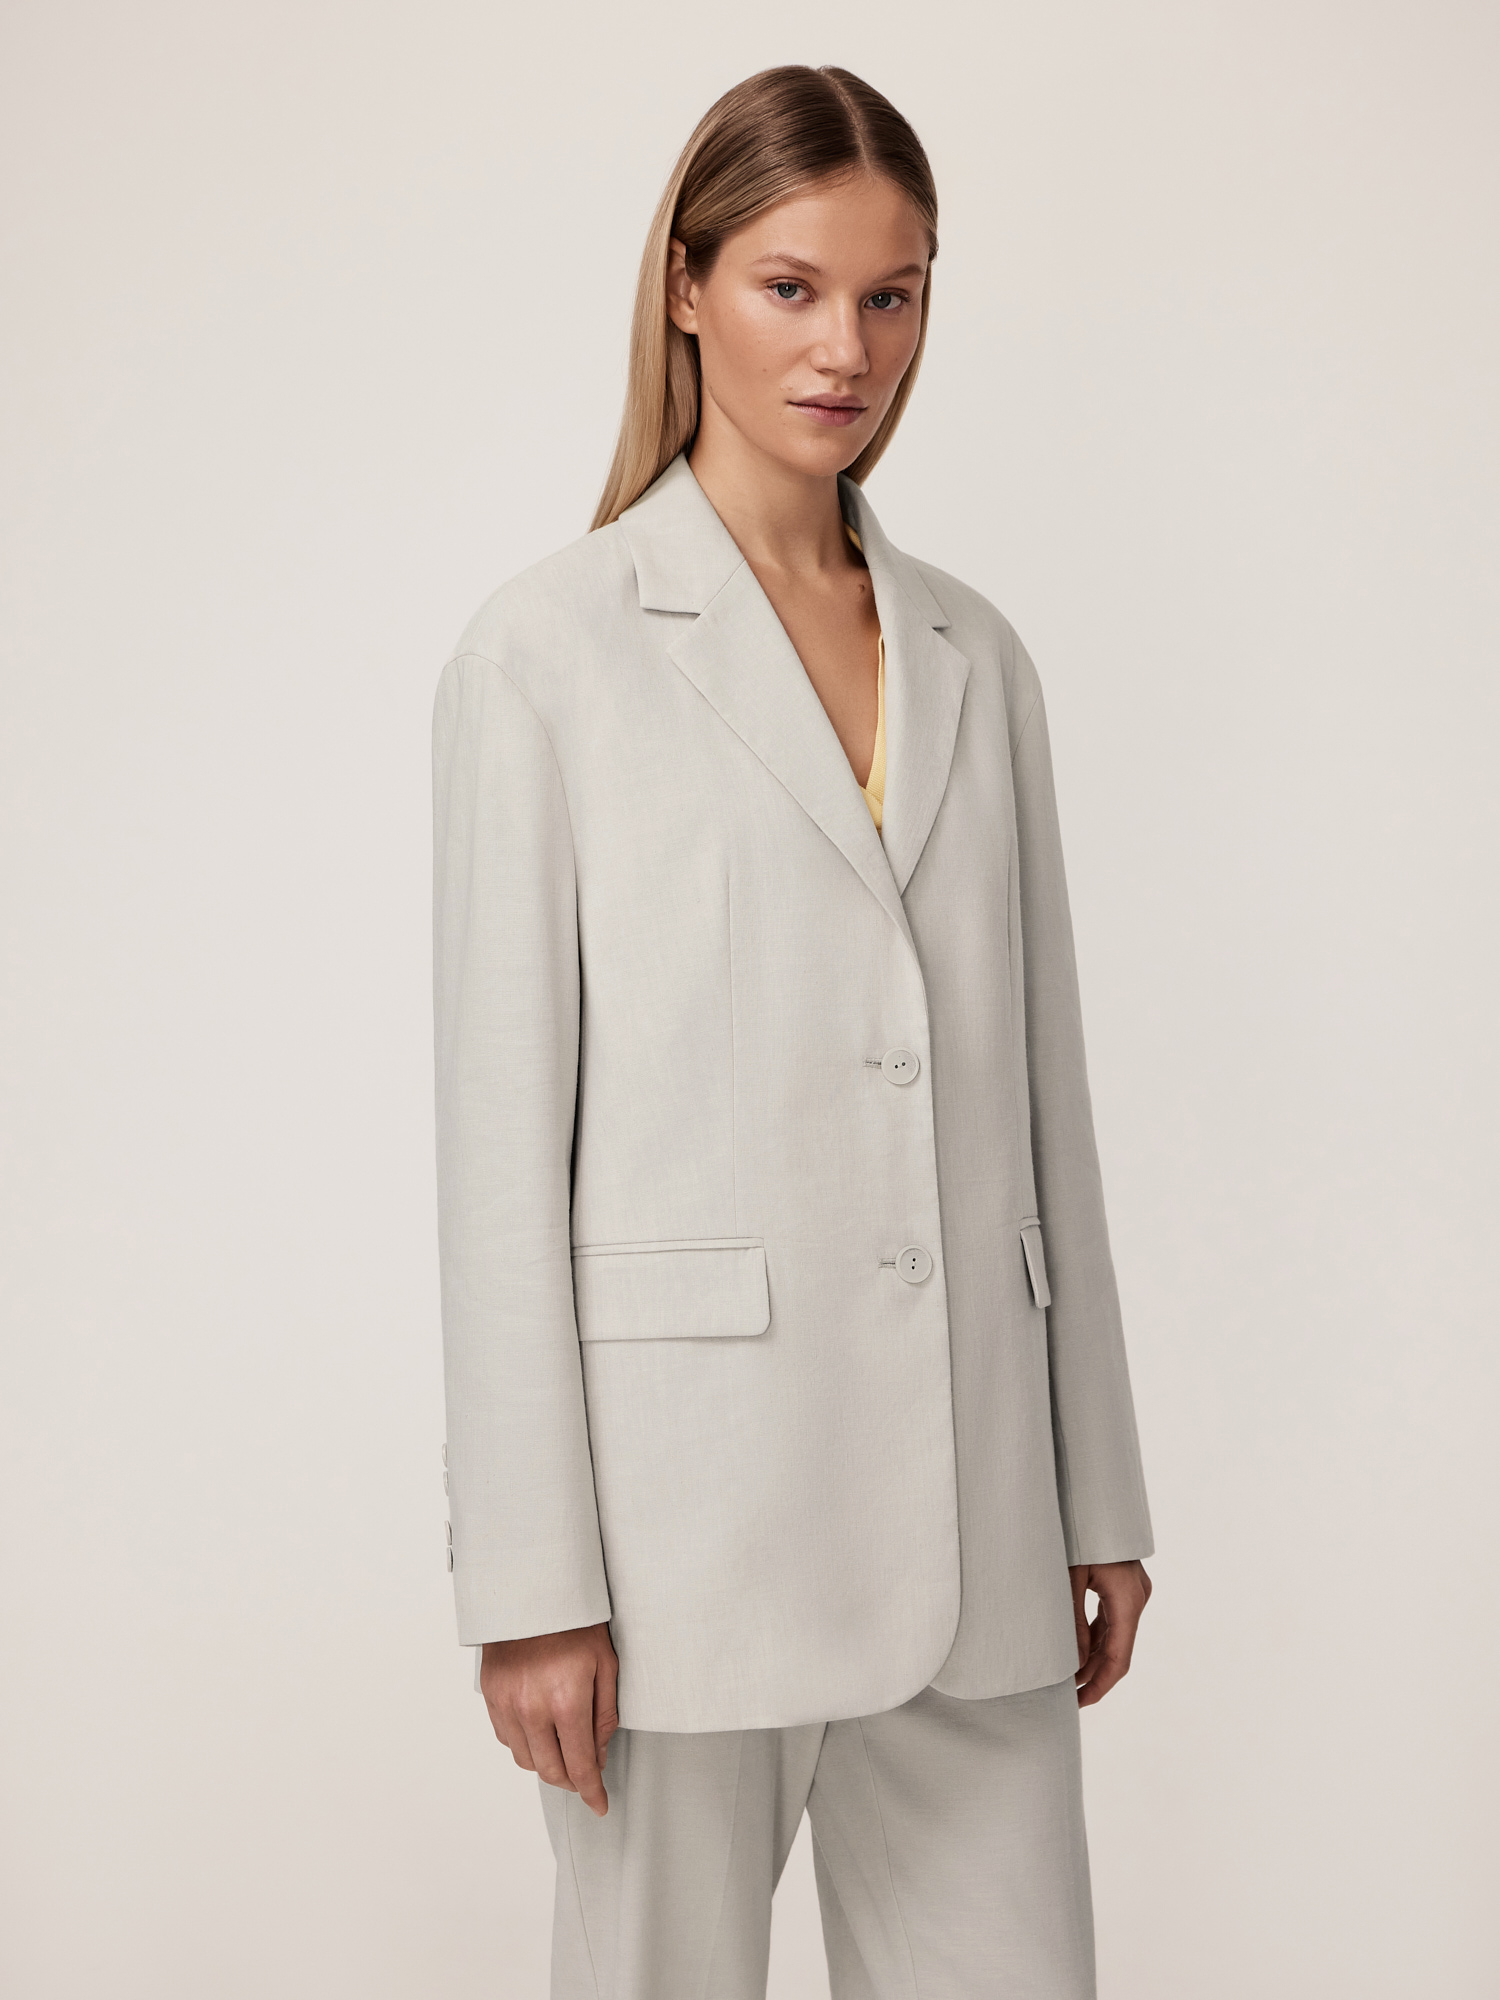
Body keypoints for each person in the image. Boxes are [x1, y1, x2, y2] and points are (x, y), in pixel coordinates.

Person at [432, 63, 1153, 2000]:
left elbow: (1045, 1099)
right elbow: (500, 1150)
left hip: (983, 1514)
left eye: (891, 294)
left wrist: (1095, 1487)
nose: (849, 348)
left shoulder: (977, 655)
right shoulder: (548, 652)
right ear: (685, 288)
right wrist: (530, 1584)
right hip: (684, 1544)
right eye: (791, 288)